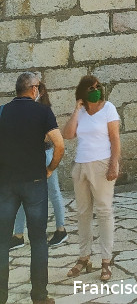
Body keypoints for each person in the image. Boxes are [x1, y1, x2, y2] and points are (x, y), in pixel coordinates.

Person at [0, 71, 64, 304]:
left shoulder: (2, 111)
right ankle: (39, 296)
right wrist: (50, 169)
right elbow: (59, 145)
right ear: (34, 89)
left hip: (6, 183)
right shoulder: (42, 111)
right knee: (38, 241)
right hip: (35, 182)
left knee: (2, 242)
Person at [63, 75, 120, 283]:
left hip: (102, 164)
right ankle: (84, 257)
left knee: (104, 211)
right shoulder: (82, 112)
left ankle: (106, 260)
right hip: (81, 165)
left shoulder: (108, 108)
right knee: (83, 213)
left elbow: (115, 138)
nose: (95, 89)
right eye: (91, 88)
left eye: (98, 86)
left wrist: (114, 164)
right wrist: (77, 109)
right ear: (83, 92)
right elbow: (68, 134)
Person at [10, 81, 67, 251]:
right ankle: (18, 235)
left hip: (45, 155)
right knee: (21, 195)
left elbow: (52, 138)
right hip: (27, 157)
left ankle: (61, 229)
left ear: (39, 93)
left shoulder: (44, 111)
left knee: (54, 192)